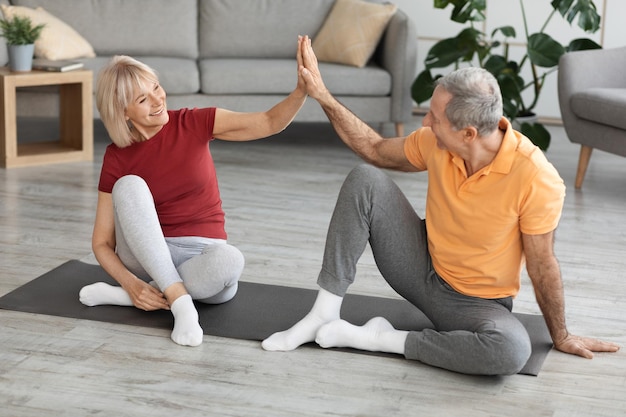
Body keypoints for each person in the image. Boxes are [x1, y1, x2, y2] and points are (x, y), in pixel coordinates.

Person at [262, 36, 620, 375]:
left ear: (468, 133)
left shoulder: (536, 177)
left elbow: (542, 267)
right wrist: (323, 96)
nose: (426, 121)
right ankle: (323, 314)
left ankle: (379, 339)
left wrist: (561, 335)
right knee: (364, 178)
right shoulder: (437, 142)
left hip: (473, 305)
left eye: (435, 117)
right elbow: (374, 149)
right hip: (418, 268)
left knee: (511, 350)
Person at [78, 37, 309, 347]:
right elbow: (102, 242)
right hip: (146, 252)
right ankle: (180, 304)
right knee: (128, 185)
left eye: (156, 88)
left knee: (231, 261)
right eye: (143, 99)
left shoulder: (194, 122)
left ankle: (143, 295)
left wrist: (302, 91)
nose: (158, 101)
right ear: (123, 112)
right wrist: (131, 281)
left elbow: (268, 122)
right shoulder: (117, 156)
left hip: (204, 257)